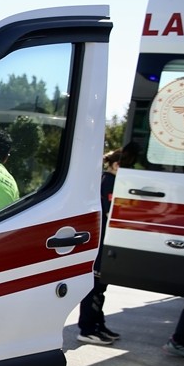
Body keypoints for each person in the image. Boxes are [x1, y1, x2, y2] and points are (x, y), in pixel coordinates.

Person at [77, 142, 139, 344]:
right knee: (95, 286)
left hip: (103, 242)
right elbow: (108, 212)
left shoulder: (106, 180)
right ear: (115, 165)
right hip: (100, 243)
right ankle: (87, 328)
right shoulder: (108, 182)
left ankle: (97, 324)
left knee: (100, 287)